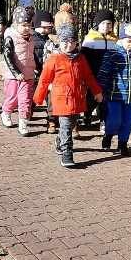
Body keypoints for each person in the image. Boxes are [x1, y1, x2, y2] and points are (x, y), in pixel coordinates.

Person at [33, 23, 103, 168]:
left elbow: (89, 77)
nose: (69, 45)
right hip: (61, 98)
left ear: (76, 42)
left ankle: (60, 140)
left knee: (71, 124)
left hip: (77, 98)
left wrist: (97, 91)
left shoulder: (81, 59)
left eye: (72, 41)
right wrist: (38, 98)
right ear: (60, 41)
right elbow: (44, 79)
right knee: (65, 126)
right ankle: (67, 152)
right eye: (65, 41)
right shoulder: (54, 58)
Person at [97, 22, 131, 156]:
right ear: (121, 39)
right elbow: (104, 73)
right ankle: (108, 134)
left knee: (128, 121)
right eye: (129, 41)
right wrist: (100, 90)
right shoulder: (112, 54)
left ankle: (122, 144)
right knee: (114, 120)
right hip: (114, 94)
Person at [1, 6, 36, 136]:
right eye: (23, 25)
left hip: (28, 74)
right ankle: (6, 112)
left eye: (29, 25)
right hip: (12, 76)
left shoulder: (32, 38)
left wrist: (36, 67)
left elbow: (33, 54)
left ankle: (23, 123)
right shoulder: (10, 37)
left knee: (25, 100)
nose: (27, 28)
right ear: (16, 24)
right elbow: (7, 56)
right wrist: (16, 73)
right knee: (12, 98)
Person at [81, 9, 118, 128]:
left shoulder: (115, 40)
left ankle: (103, 119)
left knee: (106, 98)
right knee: (91, 97)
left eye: (109, 23)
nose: (106, 26)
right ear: (98, 24)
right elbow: (84, 57)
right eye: (103, 23)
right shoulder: (90, 38)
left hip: (109, 75)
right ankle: (87, 115)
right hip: (94, 73)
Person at [32, 11, 57, 134]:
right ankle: (27, 112)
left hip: (48, 73)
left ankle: (51, 120)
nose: (47, 30)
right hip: (35, 73)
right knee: (33, 96)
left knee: (51, 97)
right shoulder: (31, 39)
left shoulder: (52, 40)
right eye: (44, 27)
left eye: (49, 28)